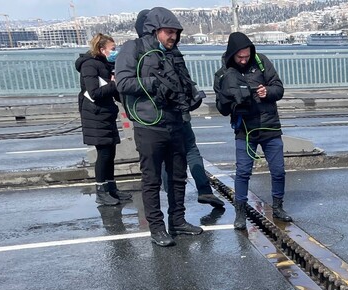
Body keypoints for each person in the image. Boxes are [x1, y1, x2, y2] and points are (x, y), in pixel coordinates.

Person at [115, 7, 203, 247]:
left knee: (177, 176)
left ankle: (178, 221)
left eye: (175, 32)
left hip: (176, 121)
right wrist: (155, 83)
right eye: (168, 32)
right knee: (152, 178)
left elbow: (183, 82)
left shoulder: (174, 53)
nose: (172, 36)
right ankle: (156, 227)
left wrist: (191, 95)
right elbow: (123, 83)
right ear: (155, 30)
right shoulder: (133, 48)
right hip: (149, 124)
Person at [131, 9, 225, 210]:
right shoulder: (170, 51)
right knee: (189, 149)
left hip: (157, 115)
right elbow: (183, 79)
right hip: (177, 111)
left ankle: (173, 196)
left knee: (168, 158)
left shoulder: (141, 51)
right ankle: (203, 190)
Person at [213, 32, 292, 226]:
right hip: (244, 130)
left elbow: (279, 88)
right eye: (240, 57)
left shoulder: (261, 61)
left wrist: (267, 92)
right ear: (232, 54)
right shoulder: (223, 74)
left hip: (270, 126)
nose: (243, 60)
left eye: (246, 56)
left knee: (278, 171)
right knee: (243, 172)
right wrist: (229, 99)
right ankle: (240, 213)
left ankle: (278, 207)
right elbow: (222, 108)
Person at [76, 33, 129, 206]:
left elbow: (113, 89)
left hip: (106, 113)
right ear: (101, 49)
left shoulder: (105, 63)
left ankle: (111, 188)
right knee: (104, 153)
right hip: (95, 114)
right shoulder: (89, 65)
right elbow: (94, 92)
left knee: (110, 152)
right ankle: (101, 191)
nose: (115, 52)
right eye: (112, 49)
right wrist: (114, 84)